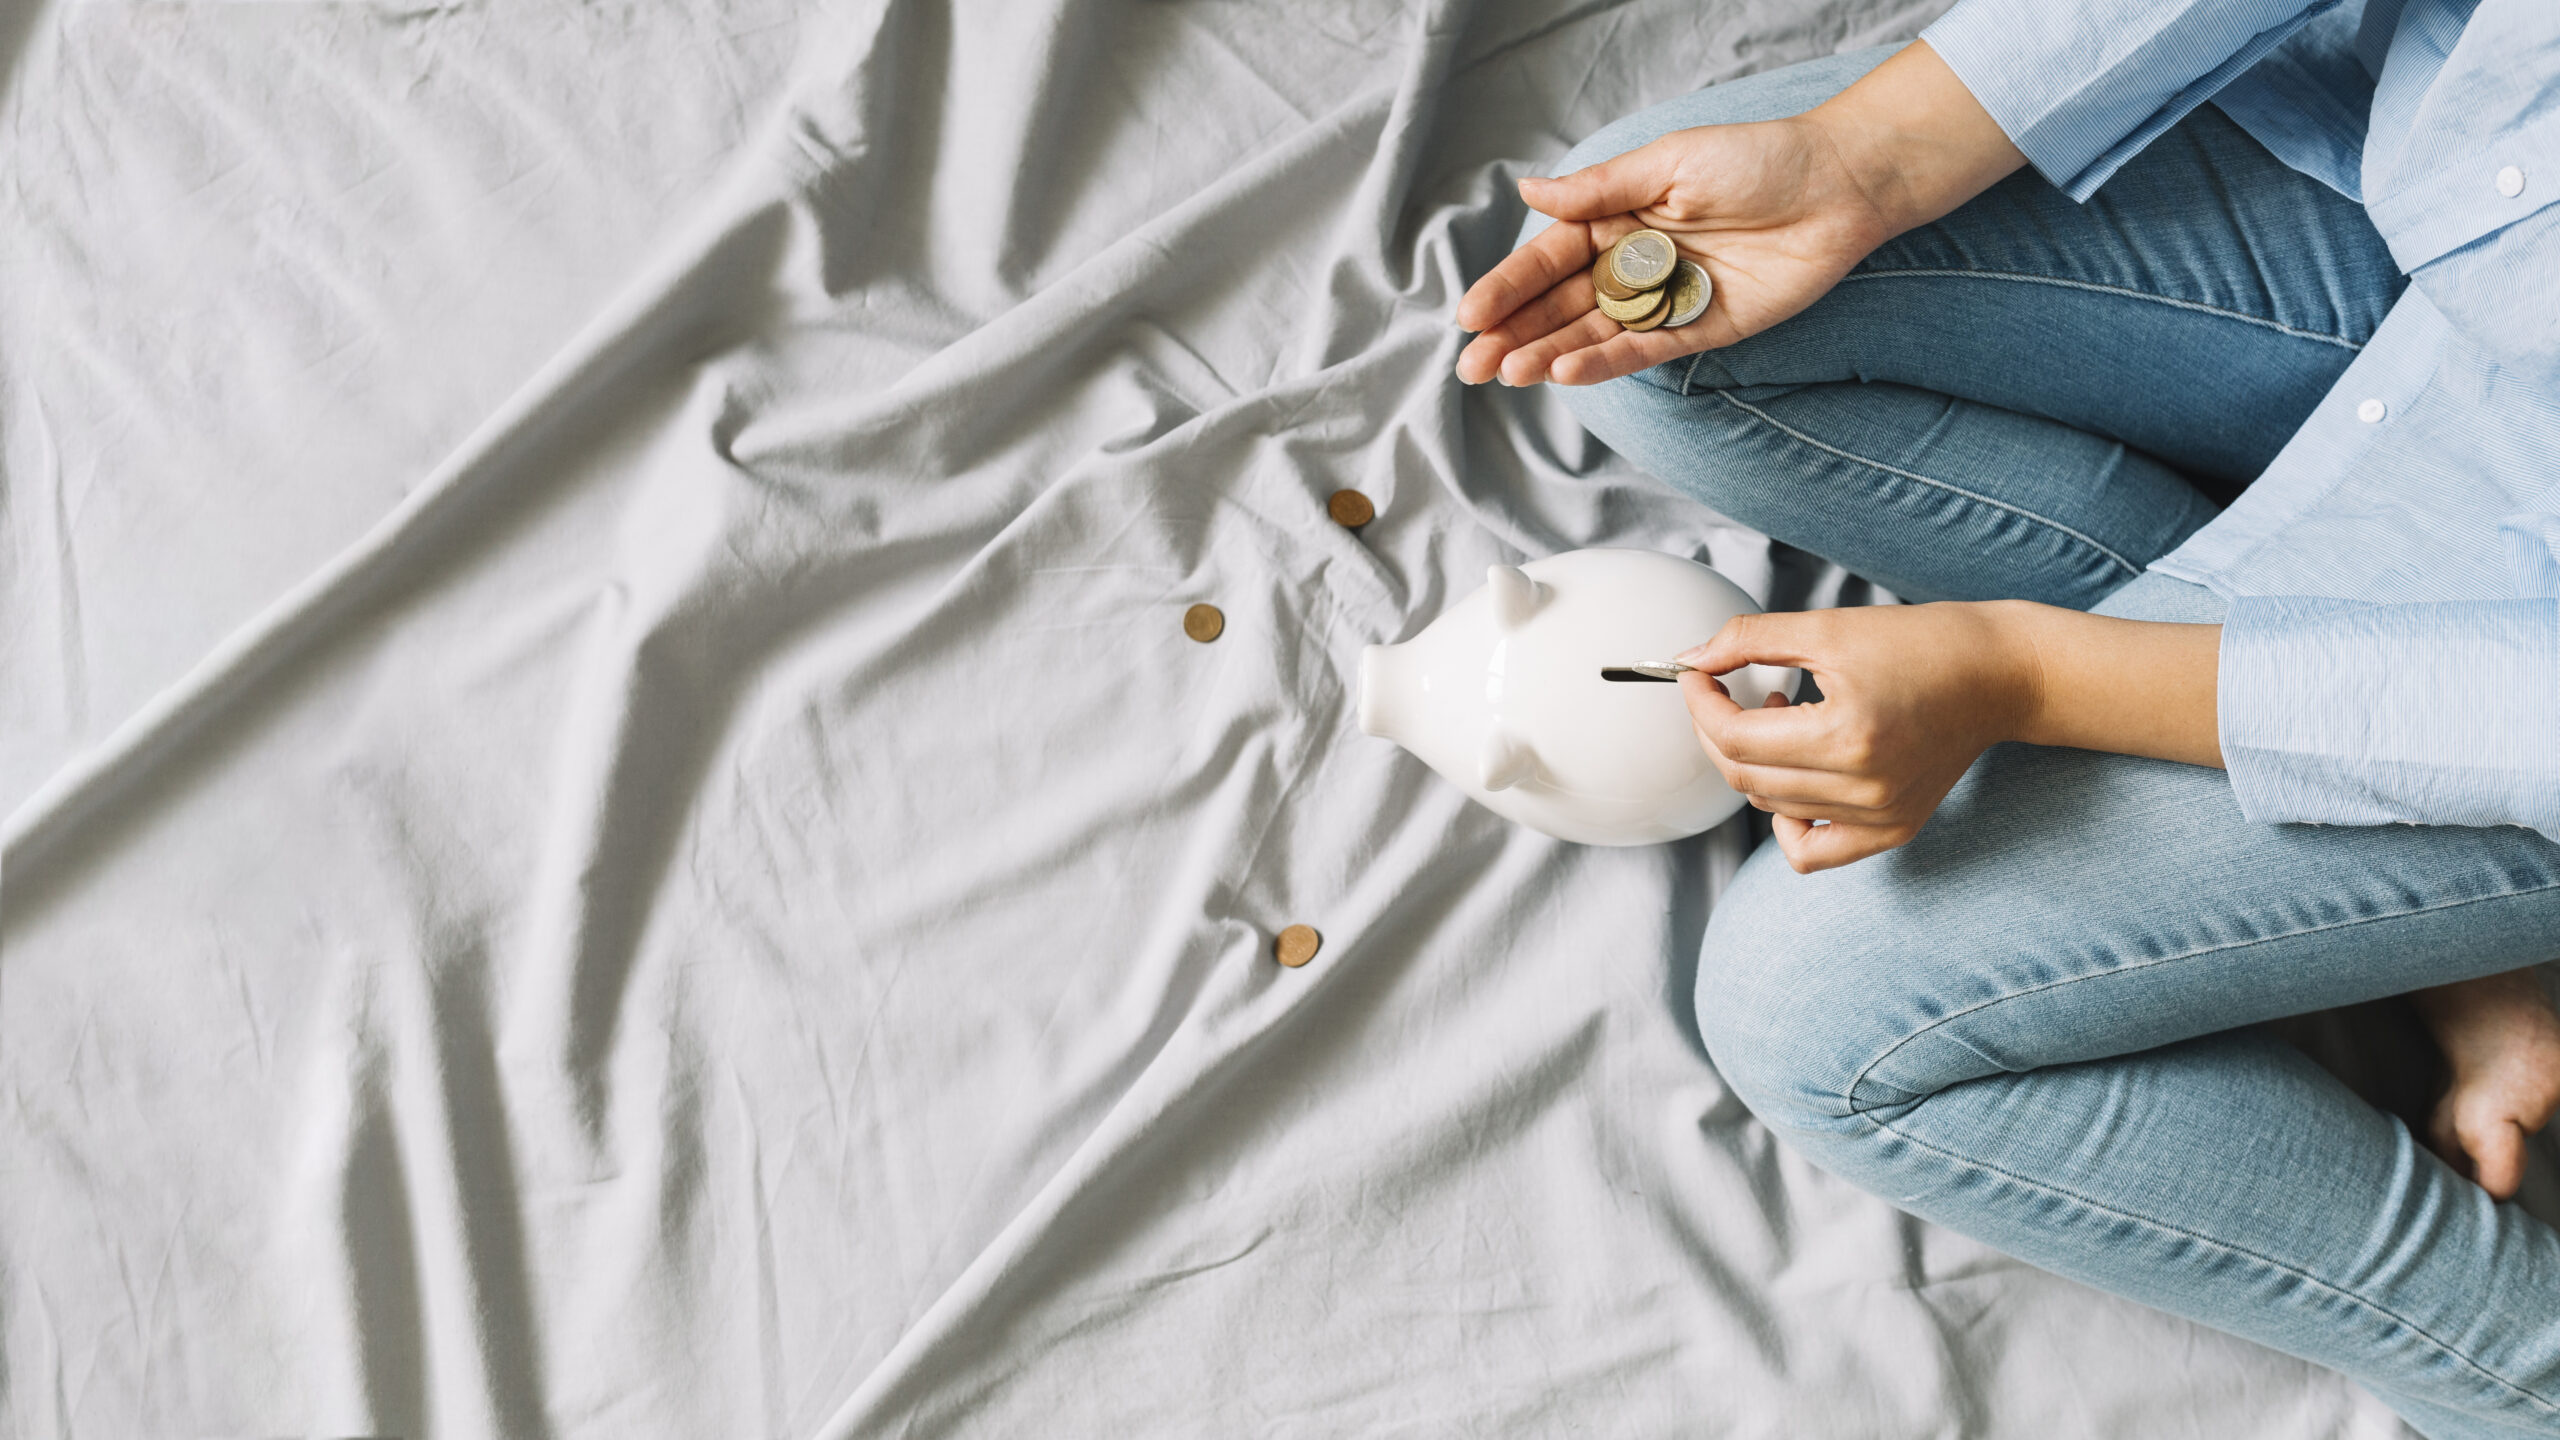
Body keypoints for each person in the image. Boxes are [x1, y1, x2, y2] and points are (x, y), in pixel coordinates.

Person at [1454, 3, 2560, 1436]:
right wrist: (1860, 160)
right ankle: (2417, 920)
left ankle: (2520, 1372)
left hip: (2508, 643)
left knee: (1811, 1014)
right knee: (1647, 294)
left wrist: (2028, 674)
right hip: (2428, 204)